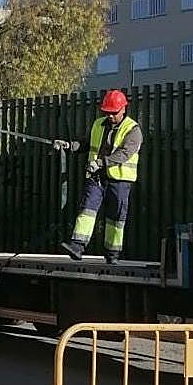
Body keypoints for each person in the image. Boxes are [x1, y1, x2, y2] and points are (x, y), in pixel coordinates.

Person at [52, 89, 142, 264]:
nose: (110, 116)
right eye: (107, 112)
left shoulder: (133, 130)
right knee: (87, 209)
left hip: (120, 181)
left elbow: (124, 154)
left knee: (115, 219)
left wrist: (100, 163)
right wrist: (68, 145)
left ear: (123, 109)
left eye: (113, 113)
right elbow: (85, 143)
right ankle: (77, 246)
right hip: (96, 177)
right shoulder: (98, 124)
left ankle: (112, 254)